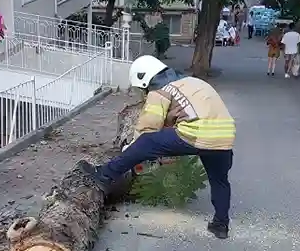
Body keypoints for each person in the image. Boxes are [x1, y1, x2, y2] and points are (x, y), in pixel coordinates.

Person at [79, 55, 236, 239]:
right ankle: (220, 224)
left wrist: (131, 150)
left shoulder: (161, 90)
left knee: (148, 141)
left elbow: (148, 128)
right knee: (219, 180)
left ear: (144, 79)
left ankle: (105, 175)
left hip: (197, 133)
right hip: (225, 137)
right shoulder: (192, 83)